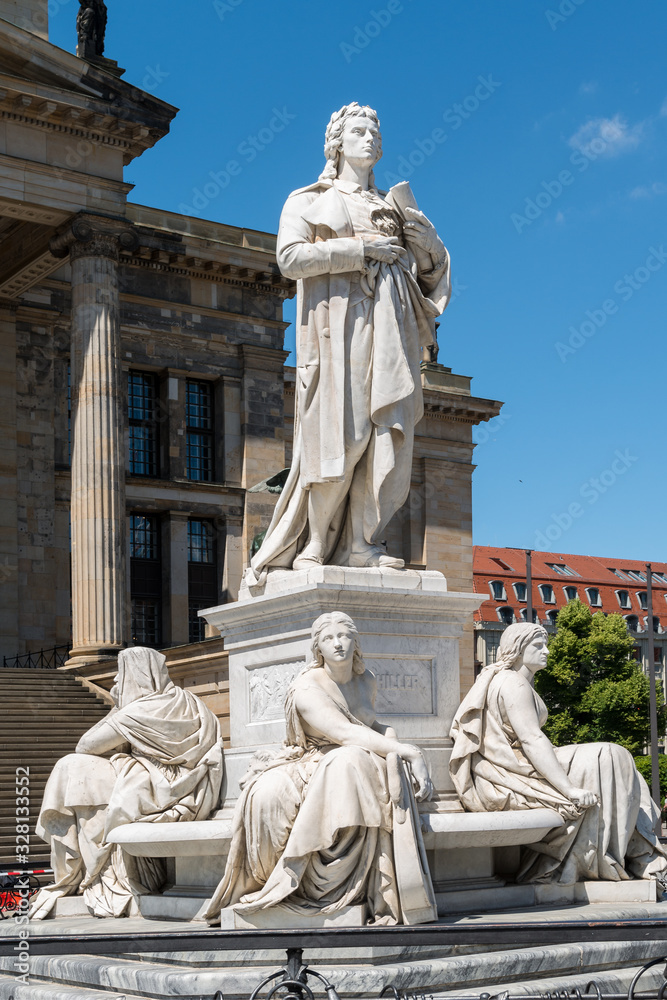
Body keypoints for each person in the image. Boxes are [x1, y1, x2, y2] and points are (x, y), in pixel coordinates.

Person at [247, 103, 450, 583]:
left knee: (389, 436)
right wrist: (361, 250)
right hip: (339, 332)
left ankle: (363, 543)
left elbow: (429, 281)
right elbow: (290, 258)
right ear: (337, 142)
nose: (370, 139)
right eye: (359, 131)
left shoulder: (395, 209)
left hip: (392, 329)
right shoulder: (308, 199)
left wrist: (432, 246)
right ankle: (315, 544)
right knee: (342, 434)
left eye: (375, 131)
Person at [205, 612, 436, 925]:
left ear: (356, 642)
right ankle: (294, 881)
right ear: (318, 649)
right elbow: (344, 733)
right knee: (325, 770)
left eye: (344, 636)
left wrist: (392, 740)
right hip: (310, 761)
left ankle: (342, 882)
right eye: (329, 639)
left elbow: (369, 725)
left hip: (347, 759)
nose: (338, 644)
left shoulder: (365, 680)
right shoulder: (307, 688)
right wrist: (407, 751)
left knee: (351, 761)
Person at [450, 622, 667, 885]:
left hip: (517, 764)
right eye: (538, 646)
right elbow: (531, 739)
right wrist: (568, 789)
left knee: (618, 760)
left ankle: (639, 855)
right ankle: (635, 857)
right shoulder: (512, 684)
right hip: (513, 771)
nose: (547, 652)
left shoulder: (512, 681)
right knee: (610, 756)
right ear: (517, 650)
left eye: (546, 645)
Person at [31, 646, 224, 918]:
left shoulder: (140, 710)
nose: (116, 682)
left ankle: (98, 875)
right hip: (186, 790)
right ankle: (97, 872)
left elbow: (86, 745)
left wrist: (118, 710)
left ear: (135, 676)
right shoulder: (188, 701)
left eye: (121, 675)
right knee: (80, 774)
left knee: (73, 768)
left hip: (157, 790)